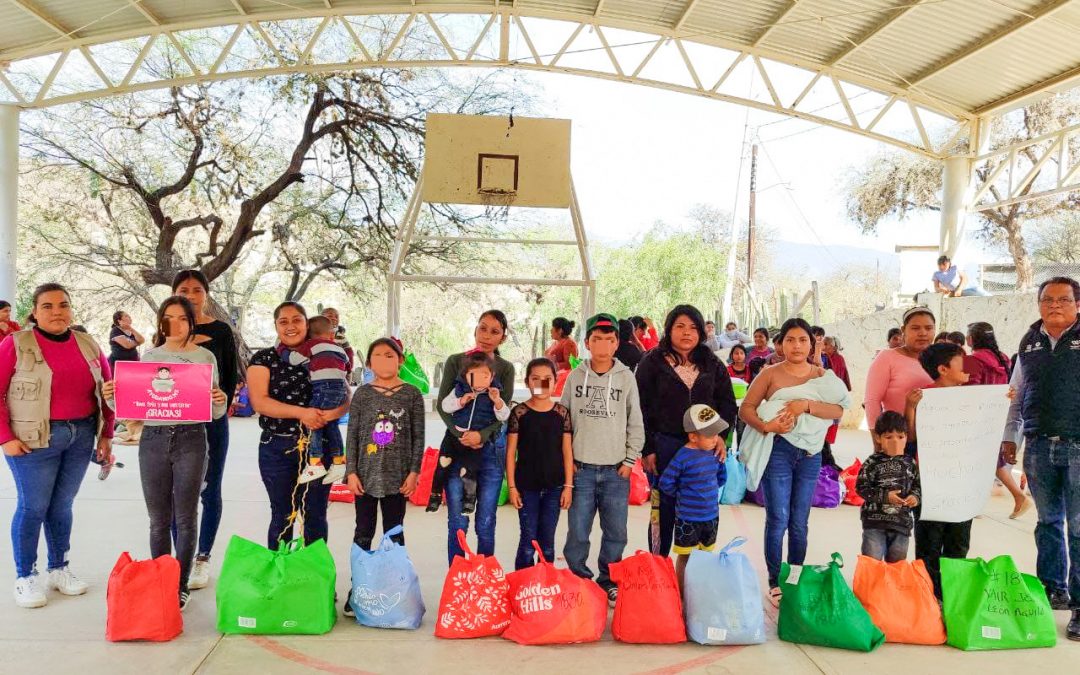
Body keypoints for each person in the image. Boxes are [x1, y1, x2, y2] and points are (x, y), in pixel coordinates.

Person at [103, 296, 226, 610]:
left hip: (191, 438)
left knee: (185, 517)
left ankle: (180, 584)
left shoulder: (205, 357)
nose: (176, 324)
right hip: (154, 439)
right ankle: (161, 580)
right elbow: (132, 407)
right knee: (158, 519)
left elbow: (213, 410)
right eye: (168, 318)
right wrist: (112, 397)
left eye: (182, 318)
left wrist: (219, 400)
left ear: (191, 322)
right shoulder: (149, 357)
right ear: (161, 323)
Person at [1, 283, 113, 608]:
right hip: (32, 440)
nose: (57, 312)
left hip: (81, 435)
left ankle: (58, 568)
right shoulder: (15, 343)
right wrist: (5, 437)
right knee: (33, 506)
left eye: (63, 305)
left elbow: (108, 390)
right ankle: (25, 576)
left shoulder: (87, 343)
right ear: (34, 312)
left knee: (62, 506)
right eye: (47, 306)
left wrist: (106, 434)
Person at [738, 318, 849, 607]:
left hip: (810, 454)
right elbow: (746, 409)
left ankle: (794, 578)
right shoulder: (770, 374)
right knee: (778, 519)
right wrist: (767, 427)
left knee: (799, 521)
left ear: (811, 344)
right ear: (780, 344)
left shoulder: (822, 376)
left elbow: (839, 410)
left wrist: (806, 406)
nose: (796, 346)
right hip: (778, 450)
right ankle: (775, 581)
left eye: (802, 340)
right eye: (790, 340)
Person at [1000, 276, 1080, 637]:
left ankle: (1079, 606)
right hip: (1038, 445)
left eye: (1064, 299)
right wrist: (1010, 437)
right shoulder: (1029, 343)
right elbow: (1016, 394)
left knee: (1079, 528)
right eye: (1048, 299)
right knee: (1048, 523)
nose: (1055, 305)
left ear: (1078, 304)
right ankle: (1052, 590)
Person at [636, 305, 737, 558]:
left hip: (703, 449)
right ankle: (659, 566)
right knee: (662, 510)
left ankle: (692, 571)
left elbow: (727, 403)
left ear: (701, 332)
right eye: (680, 326)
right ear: (669, 329)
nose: (686, 333)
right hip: (665, 446)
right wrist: (647, 449)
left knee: (698, 509)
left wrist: (721, 437)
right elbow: (639, 408)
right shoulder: (651, 362)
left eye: (693, 327)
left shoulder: (712, 362)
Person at [247, 302, 349, 552]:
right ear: (276, 326)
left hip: (320, 446)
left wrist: (329, 415)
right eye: (283, 321)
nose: (290, 326)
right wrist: (302, 413)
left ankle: (313, 574)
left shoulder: (323, 351)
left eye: (297, 320)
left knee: (315, 514)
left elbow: (345, 394)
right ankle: (280, 572)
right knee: (283, 514)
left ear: (307, 323)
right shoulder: (264, 358)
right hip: (277, 447)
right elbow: (260, 402)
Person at [561, 313, 644, 606]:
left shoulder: (626, 378)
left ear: (617, 343)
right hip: (581, 470)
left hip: (615, 471)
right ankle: (579, 579)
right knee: (578, 530)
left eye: (609, 339)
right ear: (587, 343)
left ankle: (608, 580)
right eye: (597, 339)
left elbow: (635, 422)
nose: (603, 345)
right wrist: (568, 463)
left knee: (616, 532)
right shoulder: (575, 376)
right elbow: (563, 421)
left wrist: (630, 461)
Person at [342, 338, 424, 617]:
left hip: (398, 479)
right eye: (377, 355)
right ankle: (359, 589)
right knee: (363, 532)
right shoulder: (362, 395)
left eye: (389, 355)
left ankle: (395, 590)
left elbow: (418, 437)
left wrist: (414, 472)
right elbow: (352, 435)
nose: (384, 360)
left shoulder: (412, 394)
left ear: (400, 360)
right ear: (369, 363)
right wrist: (351, 472)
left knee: (394, 534)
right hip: (364, 477)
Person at [171, 270, 238, 590]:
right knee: (176, 494)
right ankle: (179, 558)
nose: (190, 295)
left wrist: (214, 404)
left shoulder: (221, 331)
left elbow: (229, 379)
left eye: (197, 290)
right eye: (184, 289)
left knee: (209, 490)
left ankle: (202, 557)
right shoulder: (164, 331)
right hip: (174, 425)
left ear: (206, 294)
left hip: (212, 423)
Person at [435, 310, 515, 564]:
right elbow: (443, 405)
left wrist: (481, 435)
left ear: (503, 338)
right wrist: (461, 434)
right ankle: (457, 576)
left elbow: (503, 411)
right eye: (483, 328)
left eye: (495, 331)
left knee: (486, 521)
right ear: (475, 330)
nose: (487, 336)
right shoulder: (456, 361)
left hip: (490, 449)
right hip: (457, 448)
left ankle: (485, 576)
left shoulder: (505, 369)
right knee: (457, 520)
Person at [905, 342, 973, 598]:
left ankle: (953, 597)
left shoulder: (974, 399)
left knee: (959, 540)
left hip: (962, 480)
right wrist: (910, 408)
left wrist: (1002, 400)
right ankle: (928, 596)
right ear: (943, 369)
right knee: (929, 541)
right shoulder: (923, 397)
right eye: (961, 362)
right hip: (929, 480)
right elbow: (910, 438)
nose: (967, 367)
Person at [506, 358, 573, 570]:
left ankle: (544, 582)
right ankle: (523, 582)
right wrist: (512, 487)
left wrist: (568, 486)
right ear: (527, 382)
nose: (541, 384)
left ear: (555, 382)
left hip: (554, 487)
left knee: (547, 543)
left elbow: (567, 452)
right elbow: (510, 453)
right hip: (527, 488)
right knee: (528, 541)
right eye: (535, 379)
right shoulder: (519, 413)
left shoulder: (562, 413)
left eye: (547, 379)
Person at [964, 321, 1031, 520]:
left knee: (977, 462)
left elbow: (970, 391)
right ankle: (1017, 497)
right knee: (993, 461)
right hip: (996, 418)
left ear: (971, 339)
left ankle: (974, 504)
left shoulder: (972, 359)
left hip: (976, 419)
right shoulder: (1003, 358)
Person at [658, 404, 728, 590]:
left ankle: (699, 592)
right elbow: (665, 482)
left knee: (705, 556)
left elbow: (722, 477)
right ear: (693, 437)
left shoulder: (714, 453)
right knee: (685, 556)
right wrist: (683, 495)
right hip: (687, 520)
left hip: (711, 517)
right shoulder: (682, 457)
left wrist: (708, 493)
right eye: (710, 435)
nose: (716, 439)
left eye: (716, 434)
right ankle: (682, 592)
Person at [430, 351, 510, 513]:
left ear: (492, 376)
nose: (480, 381)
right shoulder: (459, 390)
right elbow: (445, 406)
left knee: (470, 471)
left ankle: (469, 500)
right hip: (453, 437)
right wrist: (461, 401)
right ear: (466, 375)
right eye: (474, 376)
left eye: (484, 376)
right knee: (442, 466)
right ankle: (435, 495)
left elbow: (504, 416)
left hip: (475, 441)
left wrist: (497, 402)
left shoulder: (494, 393)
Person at [279, 315, 350, 485]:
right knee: (331, 424)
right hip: (340, 388)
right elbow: (347, 365)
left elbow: (292, 360)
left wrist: (281, 347)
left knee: (314, 421)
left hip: (323, 388)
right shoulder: (339, 349)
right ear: (331, 334)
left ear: (308, 335)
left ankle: (315, 462)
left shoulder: (311, 345)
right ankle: (338, 462)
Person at [856, 411, 920, 563]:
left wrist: (915, 497)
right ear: (878, 438)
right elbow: (861, 487)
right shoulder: (872, 462)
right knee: (872, 562)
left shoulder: (911, 463)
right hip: (874, 523)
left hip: (901, 524)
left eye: (900, 437)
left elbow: (917, 486)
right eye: (889, 437)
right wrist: (885, 496)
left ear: (907, 437)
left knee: (897, 565)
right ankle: (871, 580)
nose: (895, 442)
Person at [864, 307, 936, 434]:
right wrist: (877, 439)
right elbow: (872, 401)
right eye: (915, 328)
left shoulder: (942, 358)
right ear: (903, 330)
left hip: (937, 436)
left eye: (928, 328)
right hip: (898, 437)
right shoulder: (886, 357)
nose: (923, 333)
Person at [108, 311, 146, 448]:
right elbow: (127, 345)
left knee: (135, 393)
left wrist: (132, 331)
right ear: (119, 320)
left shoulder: (130, 331)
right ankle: (129, 426)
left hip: (133, 367)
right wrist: (135, 342)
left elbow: (142, 340)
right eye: (126, 317)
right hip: (119, 367)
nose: (129, 318)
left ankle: (135, 428)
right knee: (120, 394)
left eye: (129, 316)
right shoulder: (115, 331)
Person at [320, 307, 355, 375]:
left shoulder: (341, 336)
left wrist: (349, 368)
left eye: (336, 317)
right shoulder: (317, 333)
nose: (334, 318)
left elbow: (348, 351)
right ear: (321, 319)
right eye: (330, 316)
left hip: (339, 368)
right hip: (321, 368)